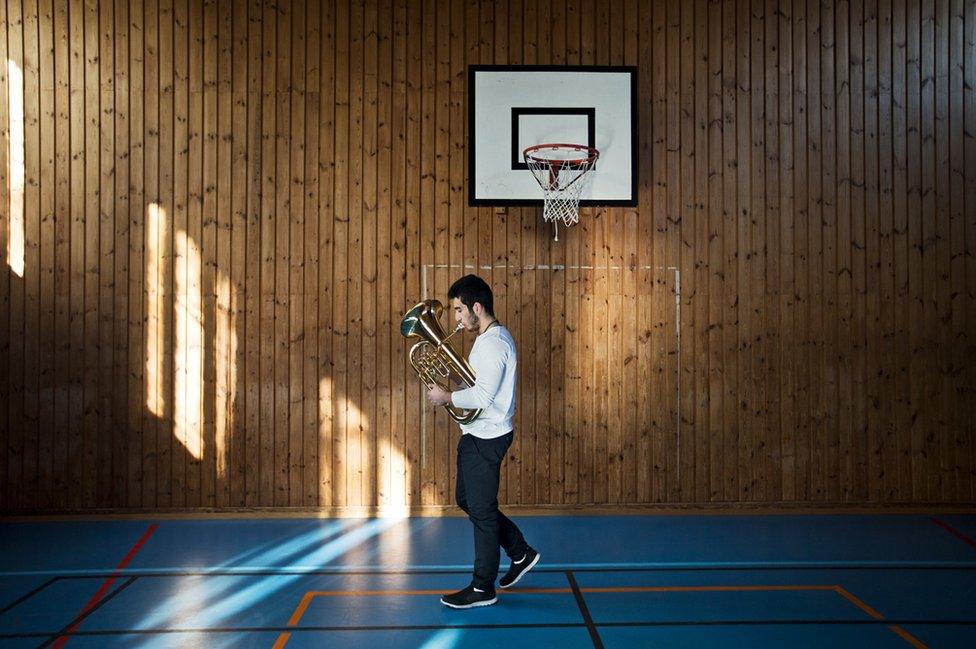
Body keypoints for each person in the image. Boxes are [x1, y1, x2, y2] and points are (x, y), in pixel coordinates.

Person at [426, 274, 540, 609]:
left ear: (477, 307)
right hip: (479, 434)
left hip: (486, 437)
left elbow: (485, 395)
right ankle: (520, 553)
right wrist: (454, 384)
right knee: (469, 499)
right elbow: (477, 385)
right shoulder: (487, 340)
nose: (457, 319)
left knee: (482, 510)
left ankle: (482, 587)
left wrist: (447, 396)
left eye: (459, 310)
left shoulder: (493, 343)